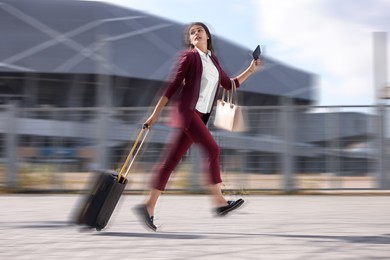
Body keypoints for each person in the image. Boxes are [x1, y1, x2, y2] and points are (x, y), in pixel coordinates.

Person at [135, 22, 262, 231]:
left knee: (170, 161)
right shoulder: (189, 57)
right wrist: (154, 114)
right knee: (213, 149)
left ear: (207, 36)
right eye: (192, 32)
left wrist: (251, 69)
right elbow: (172, 86)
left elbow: (229, 84)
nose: (195, 34)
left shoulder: (212, 60)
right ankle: (219, 202)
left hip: (199, 117)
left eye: (199, 31)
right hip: (188, 114)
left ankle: (148, 206)